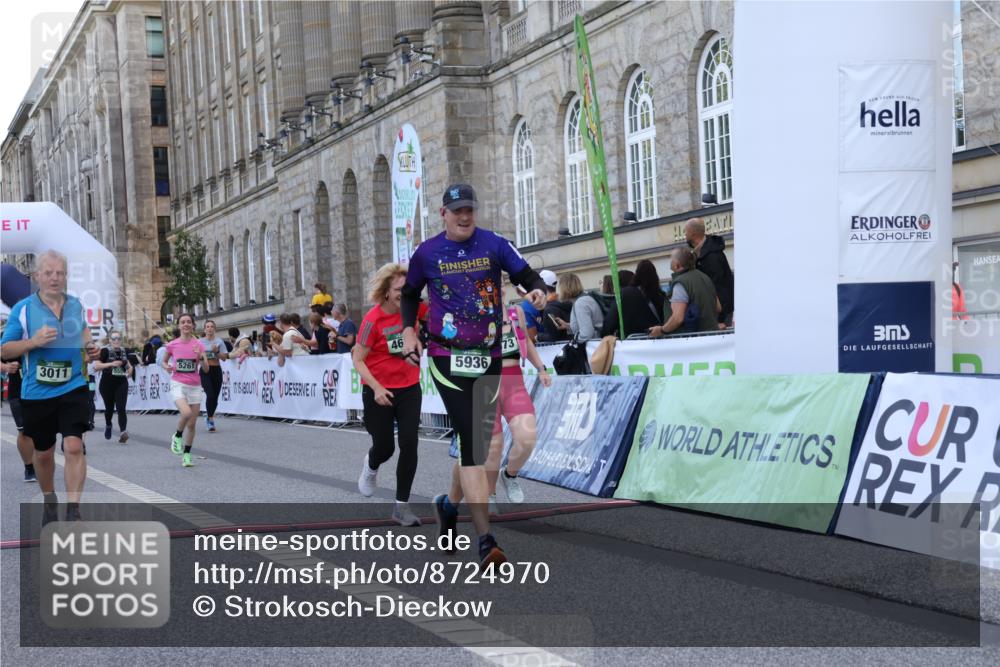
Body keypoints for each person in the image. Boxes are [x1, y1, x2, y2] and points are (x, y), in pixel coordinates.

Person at [400, 182, 548, 570]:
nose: (465, 216)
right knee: (474, 440)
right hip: (447, 357)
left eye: (470, 209)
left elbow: (528, 274)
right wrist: (408, 330)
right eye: (457, 211)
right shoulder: (427, 253)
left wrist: (537, 292)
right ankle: (486, 540)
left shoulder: (493, 243)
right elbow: (410, 293)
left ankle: (448, 506)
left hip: (489, 355)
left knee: (478, 447)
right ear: (443, 215)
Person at [0, 250, 100, 523]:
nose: (54, 278)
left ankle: (74, 509)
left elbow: (83, 331)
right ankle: (49, 498)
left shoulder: (76, 305)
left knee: (74, 446)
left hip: (74, 386)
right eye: (48, 273)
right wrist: (33, 342)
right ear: (37, 277)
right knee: (43, 454)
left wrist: (89, 347)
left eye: (59, 273)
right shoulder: (23, 309)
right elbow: (6, 350)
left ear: (66, 276)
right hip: (37, 392)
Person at [353, 263, 430, 526]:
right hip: (378, 390)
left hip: (409, 386)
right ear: (386, 291)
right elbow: (358, 359)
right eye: (399, 290)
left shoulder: (416, 309)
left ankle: (401, 506)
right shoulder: (372, 320)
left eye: (408, 289)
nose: (404, 294)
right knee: (385, 447)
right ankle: (371, 464)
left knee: (410, 443)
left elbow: (442, 315)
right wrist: (375, 388)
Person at [485, 303, 552, 506]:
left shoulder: (516, 312)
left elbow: (527, 342)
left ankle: (510, 475)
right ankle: (489, 494)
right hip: (485, 384)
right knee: (493, 447)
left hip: (514, 383)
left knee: (527, 437)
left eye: (502, 280)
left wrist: (541, 368)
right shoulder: (473, 312)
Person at [161, 313, 208, 467]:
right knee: (186, 413)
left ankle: (187, 454)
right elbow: (164, 361)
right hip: (178, 384)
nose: (186, 324)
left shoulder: (199, 344)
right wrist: (166, 366)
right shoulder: (172, 344)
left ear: (193, 325)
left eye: (189, 322)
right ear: (179, 326)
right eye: (183, 322)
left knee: (192, 425)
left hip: (195, 385)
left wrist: (201, 358)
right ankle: (177, 435)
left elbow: (206, 369)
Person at [649, 248, 721, 337]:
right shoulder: (705, 277)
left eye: (671, 259)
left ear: (677, 264)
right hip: (713, 337)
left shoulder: (680, 283)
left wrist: (662, 330)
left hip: (690, 341)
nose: (670, 262)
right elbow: (718, 307)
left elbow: (678, 318)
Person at [685, 217, 734, 326]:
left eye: (686, 231)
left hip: (719, 318)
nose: (685, 234)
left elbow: (720, 288)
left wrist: (721, 320)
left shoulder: (712, 256)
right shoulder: (699, 254)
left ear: (693, 233)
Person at [604, 260, 666, 338]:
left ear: (636, 275)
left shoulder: (625, 294)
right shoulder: (661, 295)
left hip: (632, 343)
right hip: (659, 340)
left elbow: (610, 321)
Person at [94, 330, 134, 443]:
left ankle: (123, 432)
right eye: (114, 338)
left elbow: (129, 366)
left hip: (121, 383)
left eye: (118, 338)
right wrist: (111, 364)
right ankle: (108, 425)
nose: (116, 340)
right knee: (109, 409)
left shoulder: (124, 351)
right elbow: (96, 366)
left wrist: (130, 370)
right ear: (110, 340)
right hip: (107, 384)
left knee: (121, 408)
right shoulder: (104, 351)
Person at [1, 358, 36, 482]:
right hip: (18, 392)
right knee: (24, 431)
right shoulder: (10, 338)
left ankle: (42, 462)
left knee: (43, 430)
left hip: (43, 391)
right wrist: (5, 367)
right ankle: (29, 467)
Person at [199, 320, 229, 432]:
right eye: (207, 326)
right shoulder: (200, 342)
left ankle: (209, 416)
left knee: (215, 397)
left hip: (216, 370)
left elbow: (224, 358)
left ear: (214, 329)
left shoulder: (219, 341)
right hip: (205, 371)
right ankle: (210, 419)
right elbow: (196, 356)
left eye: (212, 326)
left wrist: (216, 352)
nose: (209, 328)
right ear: (204, 329)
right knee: (210, 394)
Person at [520, 269, 558, 342]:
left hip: (544, 350)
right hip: (562, 349)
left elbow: (533, 339)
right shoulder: (527, 307)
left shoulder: (527, 306)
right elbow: (532, 338)